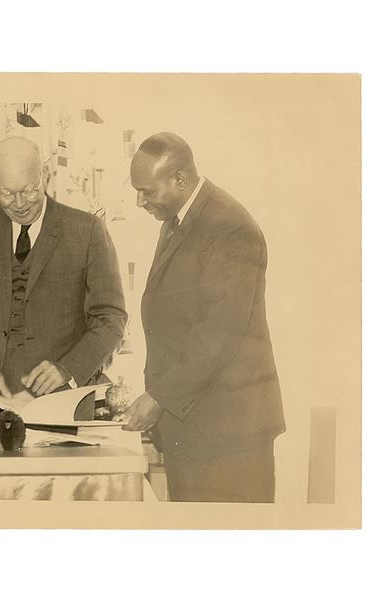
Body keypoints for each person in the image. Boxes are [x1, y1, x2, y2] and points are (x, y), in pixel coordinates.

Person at [123, 132, 286, 502]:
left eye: (147, 191)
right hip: (195, 429)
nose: (139, 201)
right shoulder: (178, 220)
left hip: (230, 437)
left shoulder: (229, 226)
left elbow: (218, 335)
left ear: (180, 179)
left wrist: (158, 397)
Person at [0, 136, 127, 404]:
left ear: (45, 175)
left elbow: (110, 318)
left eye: (29, 190)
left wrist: (66, 369)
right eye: (6, 193)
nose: (19, 204)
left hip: (62, 402)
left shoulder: (87, 230)